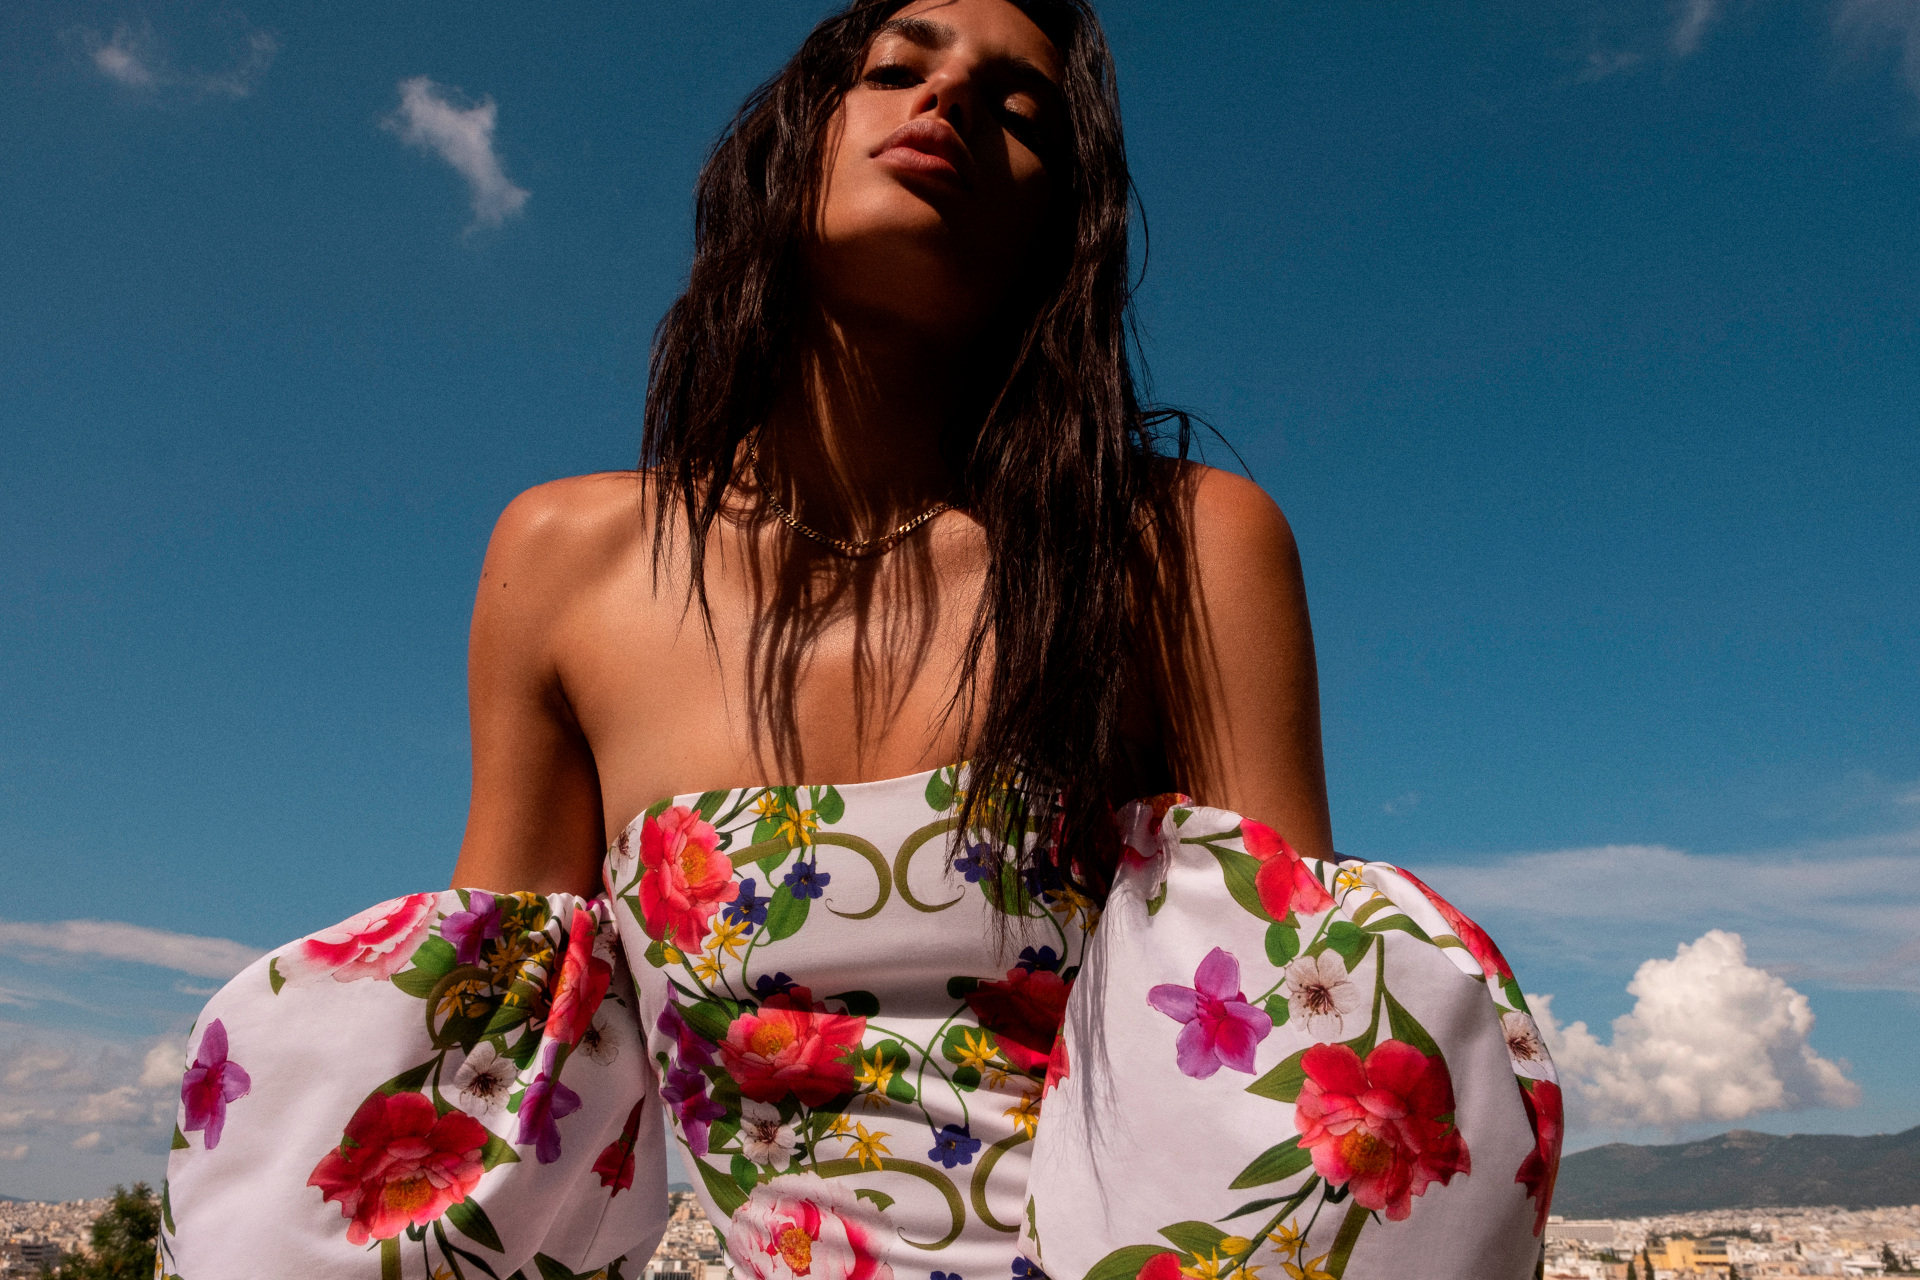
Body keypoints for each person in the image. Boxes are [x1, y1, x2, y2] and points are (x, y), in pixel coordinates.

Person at [157, 2, 1563, 1277]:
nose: (950, 97)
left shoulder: (1175, 545)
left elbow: (1298, 1094)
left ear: (1060, 224)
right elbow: (485, 1088)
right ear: (788, 148)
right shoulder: (568, 562)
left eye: (1022, 112)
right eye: (900, 64)